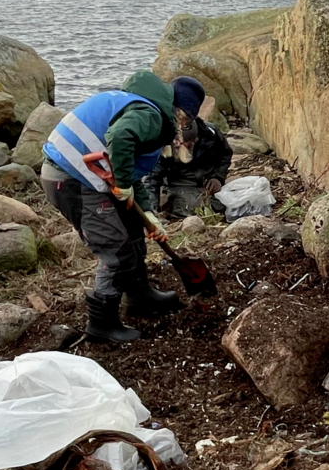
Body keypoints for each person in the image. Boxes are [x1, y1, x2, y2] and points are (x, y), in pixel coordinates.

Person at [40, 70, 184, 343]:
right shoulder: (150, 115)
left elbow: (130, 175)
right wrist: (123, 181)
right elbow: (119, 137)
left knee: (133, 228)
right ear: (176, 111)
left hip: (79, 175)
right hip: (72, 181)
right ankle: (101, 324)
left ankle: (140, 297)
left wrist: (150, 215)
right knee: (114, 250)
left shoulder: (133, 106)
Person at [142, 76, 234, 219]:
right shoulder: (163, 141)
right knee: (195, 206)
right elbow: (152, 179)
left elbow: (225, 154)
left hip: (207, 184)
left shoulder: (211, 133)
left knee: (235, 201)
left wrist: (218, 177)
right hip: (180, 186)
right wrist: (150, 212)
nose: (181, 145)